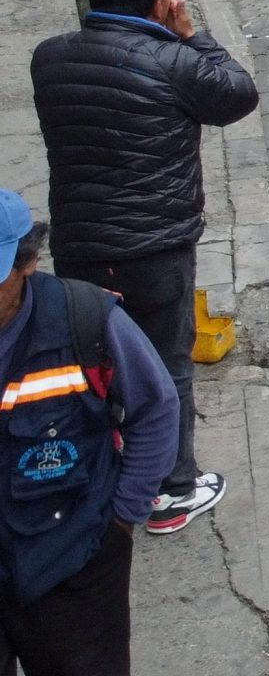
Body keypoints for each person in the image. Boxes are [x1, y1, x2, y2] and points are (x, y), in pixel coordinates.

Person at [31, 0, 260, 537]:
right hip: (155, 246)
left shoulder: (49, 58)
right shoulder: (172, 60)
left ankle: (104, 470)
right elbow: (237, 94)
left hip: (82, 244)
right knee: (165, 365)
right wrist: (192, 36)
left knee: (96, 361)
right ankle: (170, 490)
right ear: (161, 2)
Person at [0, 190, 182, 672]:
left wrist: (124, 515)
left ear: (28, 264)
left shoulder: (86, 319)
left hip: (73, 561)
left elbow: (157, 408)